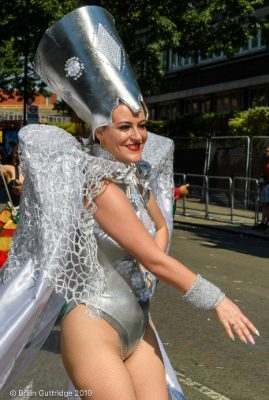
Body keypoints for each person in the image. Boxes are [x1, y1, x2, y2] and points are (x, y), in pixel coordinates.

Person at [0, 6, 258, 400]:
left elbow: (159, 226)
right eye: (125, 127)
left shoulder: (137, 181)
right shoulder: (100, 188)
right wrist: (217, 299)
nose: (138, 136)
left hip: (140, 328)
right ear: (100, 133)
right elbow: (157, 259)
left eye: (142, 124)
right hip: (93, 328)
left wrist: (148, 266)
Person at [256, 145, 269, 230]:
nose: (266, 153)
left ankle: (266, 223)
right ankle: (262, 222)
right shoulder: (267, 161)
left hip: (268, 184)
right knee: (264, 205)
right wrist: (262, 178)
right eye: (266, 151)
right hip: (265, 184)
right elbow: (265, 173)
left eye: (268, 151)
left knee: (268, 205)